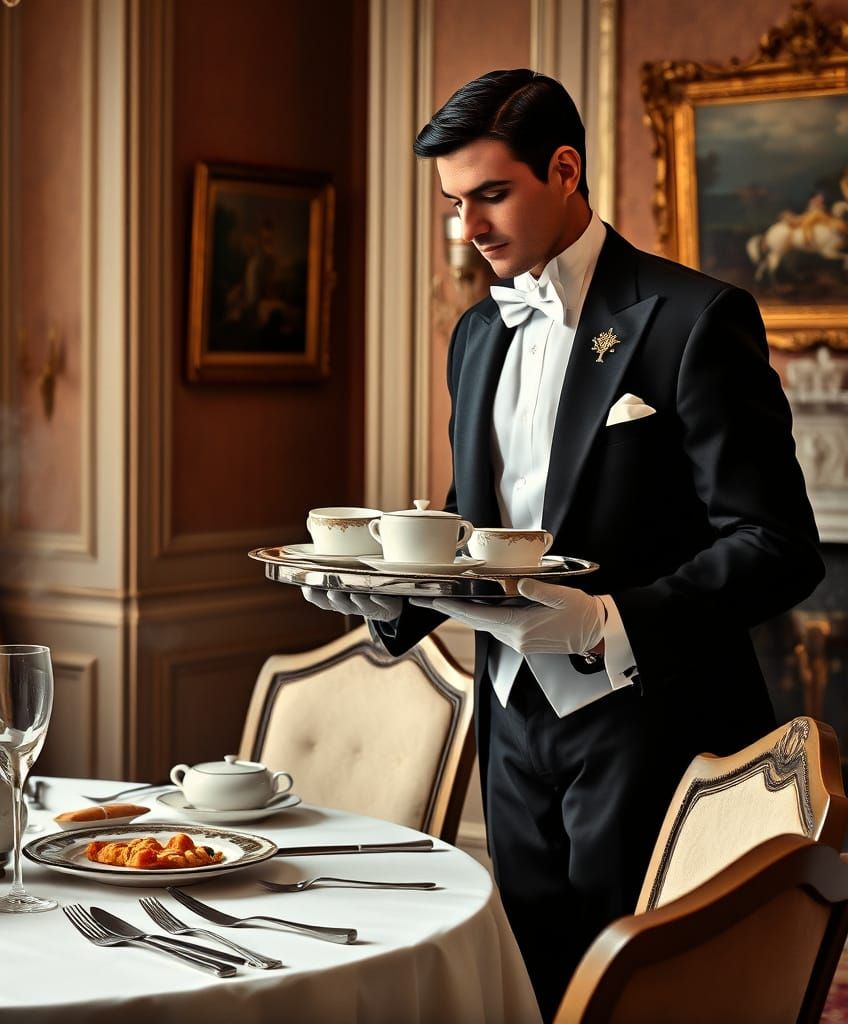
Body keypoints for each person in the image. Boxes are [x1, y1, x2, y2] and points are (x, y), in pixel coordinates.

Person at [303, 69, 824, 1022]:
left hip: (651, 720)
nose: (472, 229)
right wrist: (393, 600)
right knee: (537, 985)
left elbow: (779, 544)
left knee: (640, 997)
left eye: (492, 194)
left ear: (566, 168)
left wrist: (611, 622)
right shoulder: (474, 335)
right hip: (510, 725)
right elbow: (480, 519)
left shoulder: (695, 320)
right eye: (456, 204)